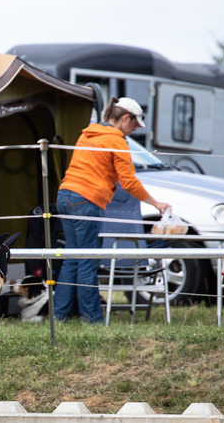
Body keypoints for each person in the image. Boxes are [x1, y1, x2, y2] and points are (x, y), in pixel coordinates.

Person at [54, 96, 172, 323]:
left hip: (65, 195)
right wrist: (156, 204)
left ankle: (59, 316)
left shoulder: (87, 133)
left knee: (71, 258)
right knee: (88, 260)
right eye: (134, 125)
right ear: (125, 118)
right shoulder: (117, 141)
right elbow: (128, 182)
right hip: (88, 201)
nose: (132, 130)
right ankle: (92, 320)